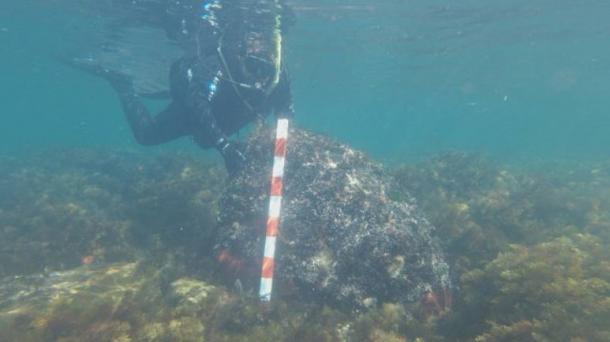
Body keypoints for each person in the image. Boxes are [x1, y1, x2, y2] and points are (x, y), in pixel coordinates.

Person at [71, 0, 295, 175]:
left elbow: (285, 108)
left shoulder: (277, 73)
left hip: (223, 120)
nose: (259, 76)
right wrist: (224, 147)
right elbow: (197, 102)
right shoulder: (219, 62)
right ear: (242, 49)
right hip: (193, 112)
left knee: (206, 141)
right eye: (253, 65)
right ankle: (124, 86)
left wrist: (283, 143)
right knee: (146, 136)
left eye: (264, 66)